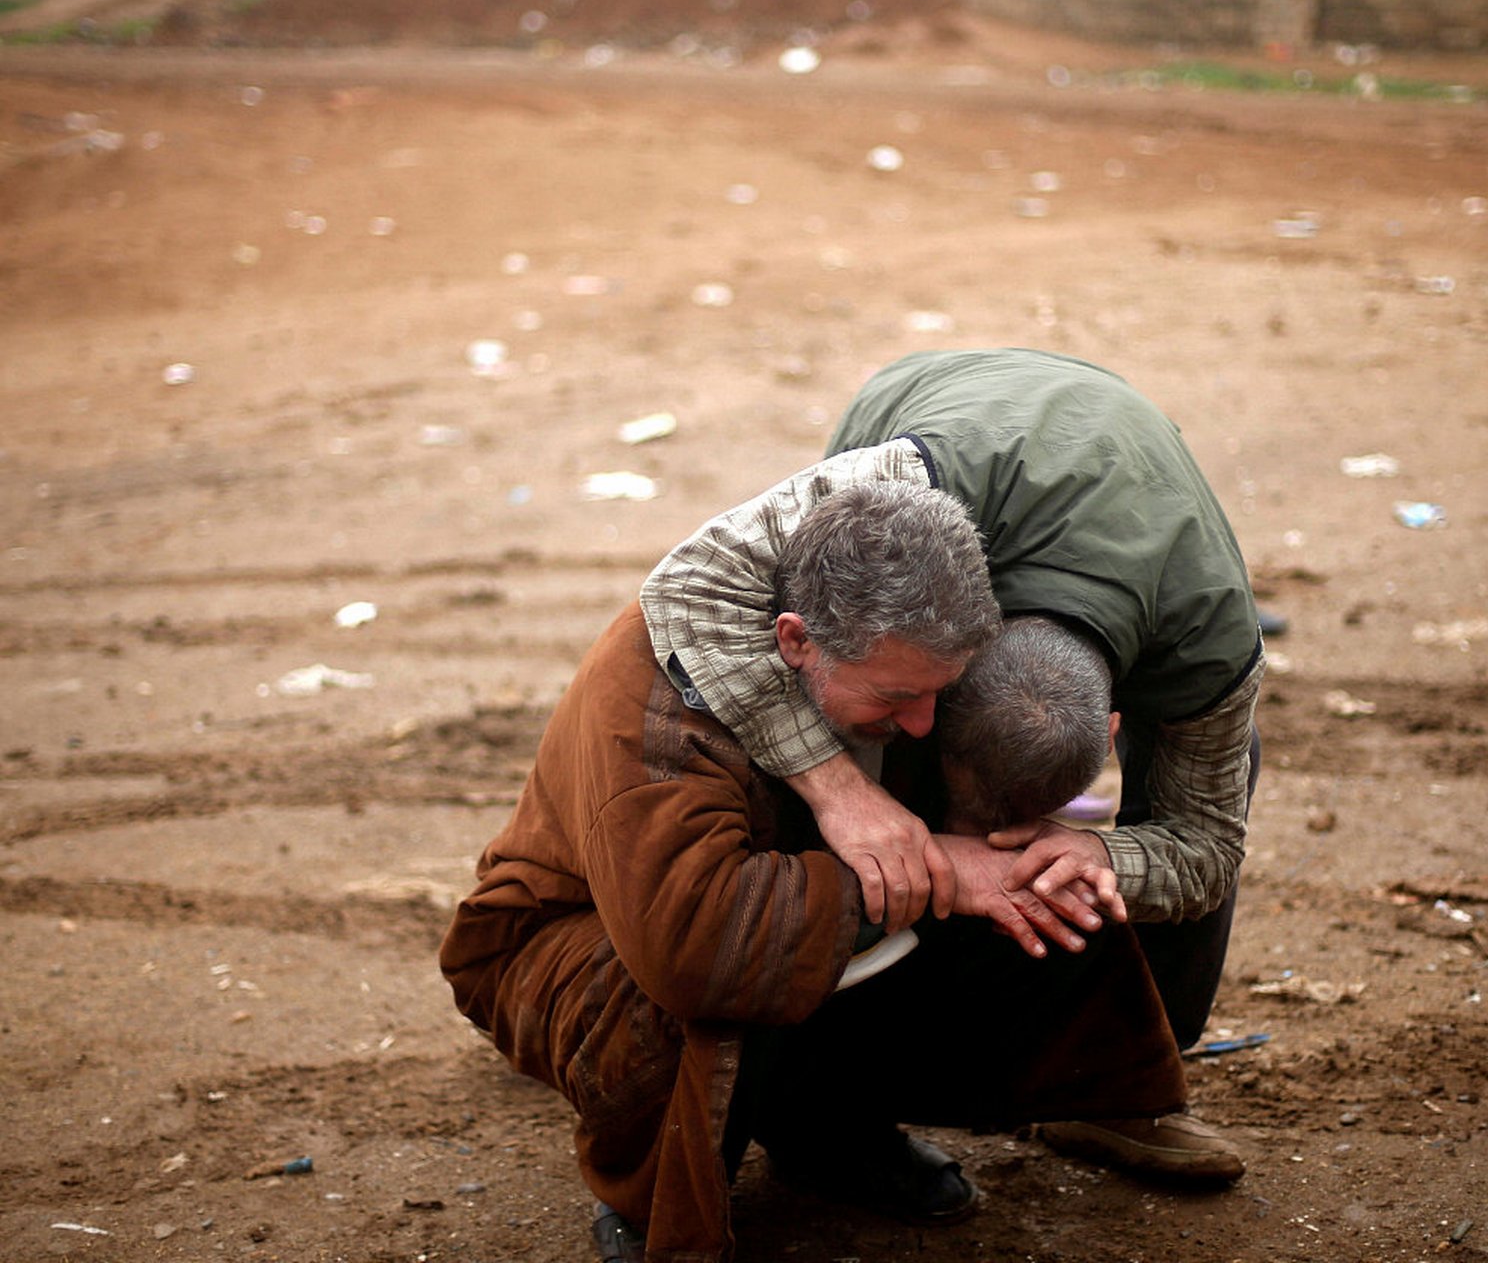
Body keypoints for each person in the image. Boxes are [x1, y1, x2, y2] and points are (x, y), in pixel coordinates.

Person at [440, 482, 1188, 1263]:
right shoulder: (652, 704)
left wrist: (1015, 852)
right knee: (707, 972)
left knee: (1026, 882)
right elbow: (689, 941)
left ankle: (828, 1127)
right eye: (897, 697)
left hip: (765, 889)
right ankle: (650, 1184)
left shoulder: (897, 649)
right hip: (573, 943)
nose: (923, 725)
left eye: (938, 692)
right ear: (795, 641)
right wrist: (940, 868)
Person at [640, 347, 1266, 1179]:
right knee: (835, 713)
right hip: (967, 430)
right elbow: (688, 585)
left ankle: (1119, 1091)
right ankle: (825, 1102)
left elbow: (1209, 848)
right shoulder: (907, 489)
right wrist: (837, 792)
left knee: (1187, 814)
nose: (983, 843)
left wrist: (1102, 854)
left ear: (1115, 718)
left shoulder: (1209, 655)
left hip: (1136, 517)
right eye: (918, 708)